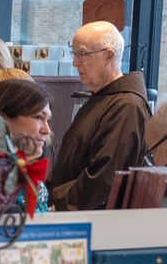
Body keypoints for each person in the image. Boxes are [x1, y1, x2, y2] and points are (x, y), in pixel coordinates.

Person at [51, 21, 148, 210]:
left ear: (108, 56)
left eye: (83, 54)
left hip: (92, 221)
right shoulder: (103, 97)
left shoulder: (126, 105)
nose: (75, 62)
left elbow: (104, 178)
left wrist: (58, 202)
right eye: (75, 53)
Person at [0, 76, 55, 210]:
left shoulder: (33, 180)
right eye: (38, 117)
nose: (46, 130)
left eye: (48, 120)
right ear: (2, 119)